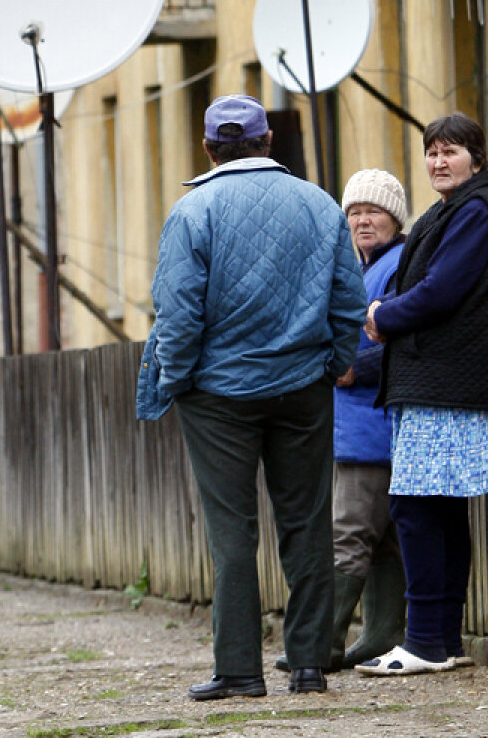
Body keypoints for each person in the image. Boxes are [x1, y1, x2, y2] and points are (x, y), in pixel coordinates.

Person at [137, 95, 367, 701]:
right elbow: (349, 302)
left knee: (233, 532)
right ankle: (310, 664)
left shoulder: (193, 210)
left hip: (218, 395)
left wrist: (178, 378)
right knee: (308, 523)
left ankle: (239, 670)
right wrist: (333, 366)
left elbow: (178, 314)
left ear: (208, 149)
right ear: (269, 143)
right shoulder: (320, 205)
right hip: (303, 388)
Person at [358, 113, 488, 677]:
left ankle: (423, 640)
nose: (439, 162)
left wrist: (383, 316)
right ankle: (442, 639)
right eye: (431, 153)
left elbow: (440, 291)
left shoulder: (475, 210)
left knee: (418, 507)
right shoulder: (452, 210)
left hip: (443, 380)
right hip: (437, 379)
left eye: (451, 152)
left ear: (476, 157)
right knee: (438, 509)